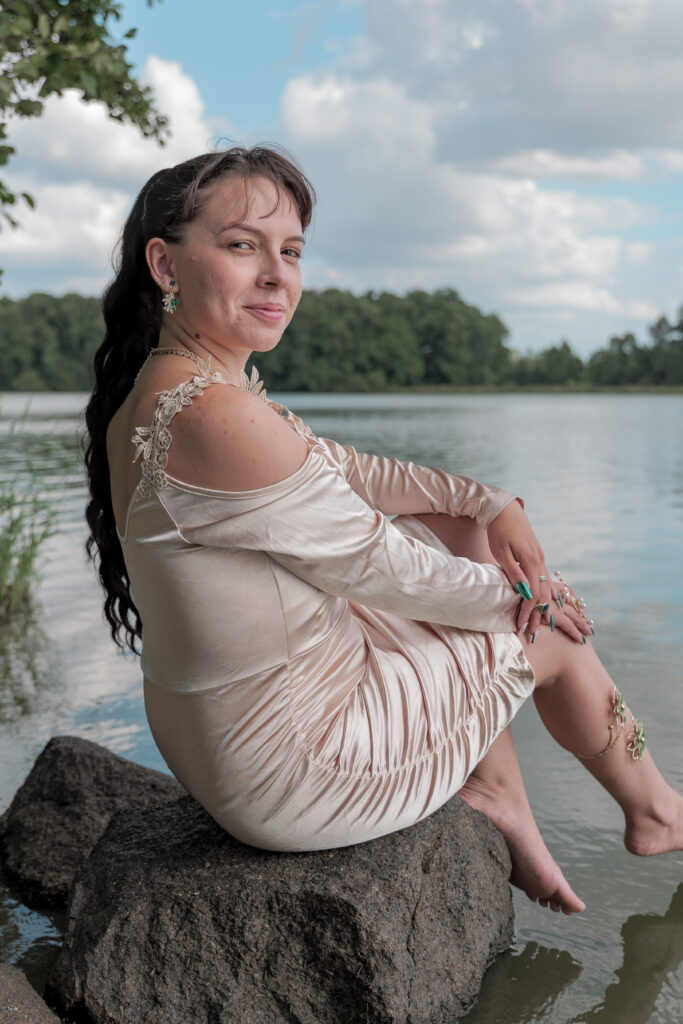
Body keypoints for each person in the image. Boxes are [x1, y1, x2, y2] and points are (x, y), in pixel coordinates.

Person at [85, 145, 683, 916]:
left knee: (464, 534)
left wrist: (489, 502)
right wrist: (542, 600)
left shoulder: (177, 391)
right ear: (165, 265)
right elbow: (384, 566)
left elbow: (352, 471)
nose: (276, 276)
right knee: (553, 639)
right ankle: (658, 814)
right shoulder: (215, 414)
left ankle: (499, 792)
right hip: (295, 775)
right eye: (242, 245)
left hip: (217, 742)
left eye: (291, 252)